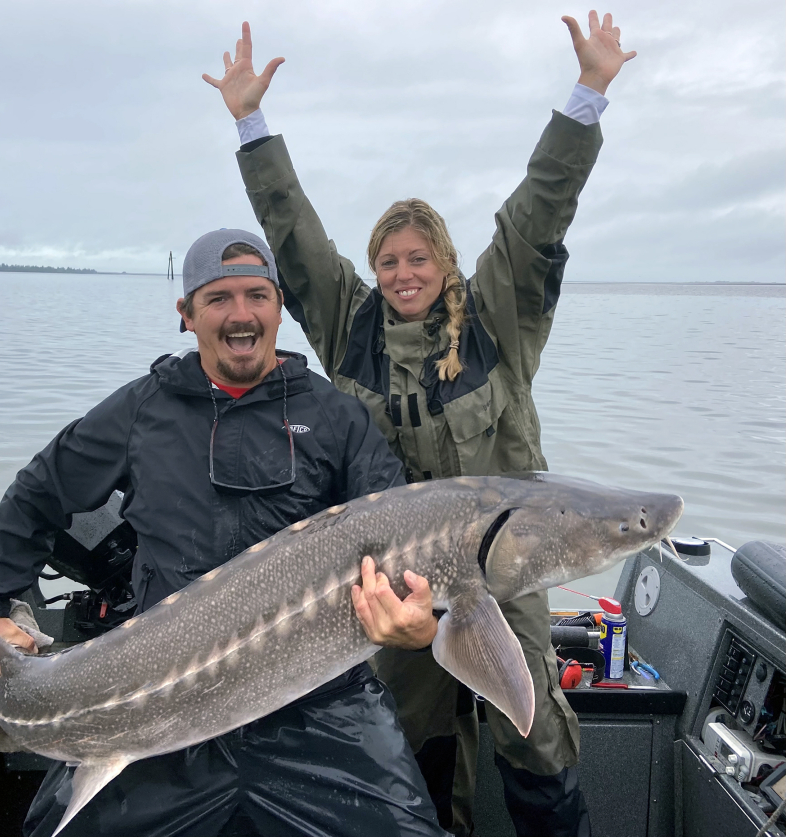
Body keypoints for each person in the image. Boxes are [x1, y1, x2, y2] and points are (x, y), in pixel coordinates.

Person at [204, 13, 636, 837]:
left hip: (507, 574)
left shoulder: (493, 327)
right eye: (388, 260)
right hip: (399, 585)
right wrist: (249, 123)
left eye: (418, 257)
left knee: (536, 737)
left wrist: (588, 94)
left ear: (444, 261)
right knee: (408, 745)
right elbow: (294, 239)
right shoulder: (350, 329)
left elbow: (536, 218)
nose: (403, 273)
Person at [0, 228, 448, 837]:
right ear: (186, 316)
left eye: (257, 295)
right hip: (159, 695)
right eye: (218, 298)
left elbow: (407, 540)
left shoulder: (338, 418)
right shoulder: (143, 410)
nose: (240, 314)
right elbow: (36, 494)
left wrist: (421, 623)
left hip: (319, 704)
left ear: (278, 309)